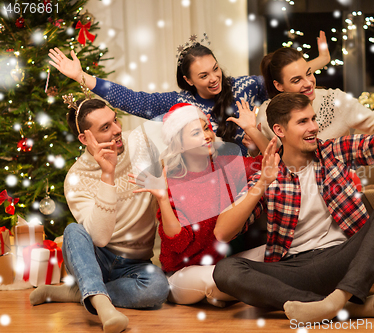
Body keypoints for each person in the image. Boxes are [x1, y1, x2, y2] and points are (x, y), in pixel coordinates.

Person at [212, 76, 374, 323]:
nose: (313, 127)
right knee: (225, 271)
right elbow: (223, 232)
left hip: (343, 260)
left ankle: (339, 297)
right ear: (279, 130)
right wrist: (262, 183)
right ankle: (342, 306)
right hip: (293, 269)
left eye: (313, 118)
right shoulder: (268, 173)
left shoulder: (334, 151)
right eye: (302, 122)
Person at [48, 32, 330, 155]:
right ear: (188, 80)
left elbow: (284, 79)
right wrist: (82, 77)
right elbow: (134, 100)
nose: (214, 78)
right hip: (216, 183)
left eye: (216, 69)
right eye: (203, 76)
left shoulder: (245, 86)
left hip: (258, 173)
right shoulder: (182, 104)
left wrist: (320, 62)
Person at [29, 98, 169, 333]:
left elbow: (181, 134)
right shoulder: (76, 178)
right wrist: (107, 174)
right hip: (96, 258)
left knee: (157, 289)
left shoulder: (141, 143)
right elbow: (100, 238)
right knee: (73, 231)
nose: (117, 130)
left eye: (114, 120)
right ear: (85, 138)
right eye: (105, 128)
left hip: (135, 264)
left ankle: (85, 292)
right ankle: (104, 308)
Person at [128, 101, 267, 307]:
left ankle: (222, 293)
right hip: (182, 274)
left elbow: (272, 163)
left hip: (221, 265)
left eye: (206, 128)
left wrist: (250, 129)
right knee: (220, 278)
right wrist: (163, 198)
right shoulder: (171, 180)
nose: (206, 136)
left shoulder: (226, 165)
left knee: (278, 250)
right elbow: (178, 242)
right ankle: (225, 291)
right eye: (196, 133)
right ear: (180, 144)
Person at [255, 47, 374, 142]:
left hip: (340, 190)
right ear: (279, 85)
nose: (308, 83)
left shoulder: (336, 101)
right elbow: (264, 162)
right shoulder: (266, 115)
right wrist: (253, 142)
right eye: (297, 80)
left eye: (309, 73)